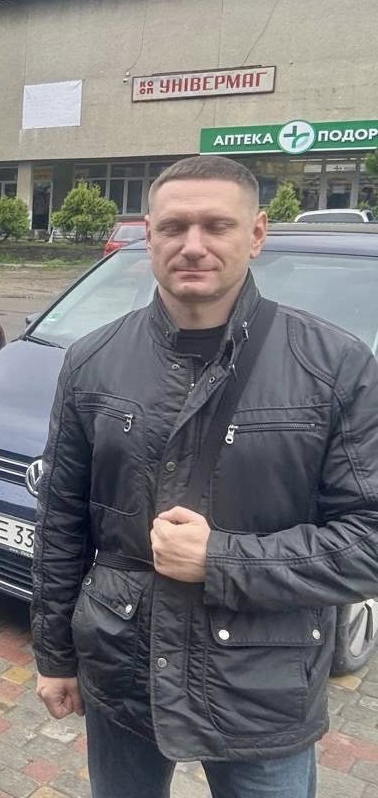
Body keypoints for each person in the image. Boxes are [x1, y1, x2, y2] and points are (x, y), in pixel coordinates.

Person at [31, 155, 378, 798]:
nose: (193, 245)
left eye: (217, 226)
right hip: (123, 668)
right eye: (174, 227)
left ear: (257, 233)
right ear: (149, 236)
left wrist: (221, 559)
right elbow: (61, 524)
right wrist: (54, 655)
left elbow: (368, 541)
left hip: (262, 686)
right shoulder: (92, 361)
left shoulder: (335, 367)